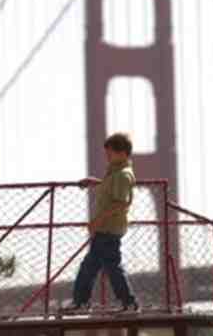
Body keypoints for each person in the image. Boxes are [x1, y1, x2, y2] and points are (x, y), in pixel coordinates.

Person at [64, 132, 140, 313]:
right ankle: (83, 302)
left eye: (110, 153)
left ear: (122, 153)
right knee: (93, 266)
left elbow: (120, 202)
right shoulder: (116, 173)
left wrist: (97, 220)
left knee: (108, 267)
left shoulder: (122, 175)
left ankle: (127, 302)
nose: (107, 156)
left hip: (108, 229)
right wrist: (95, 183)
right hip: (107, 228)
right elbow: (112, 191)